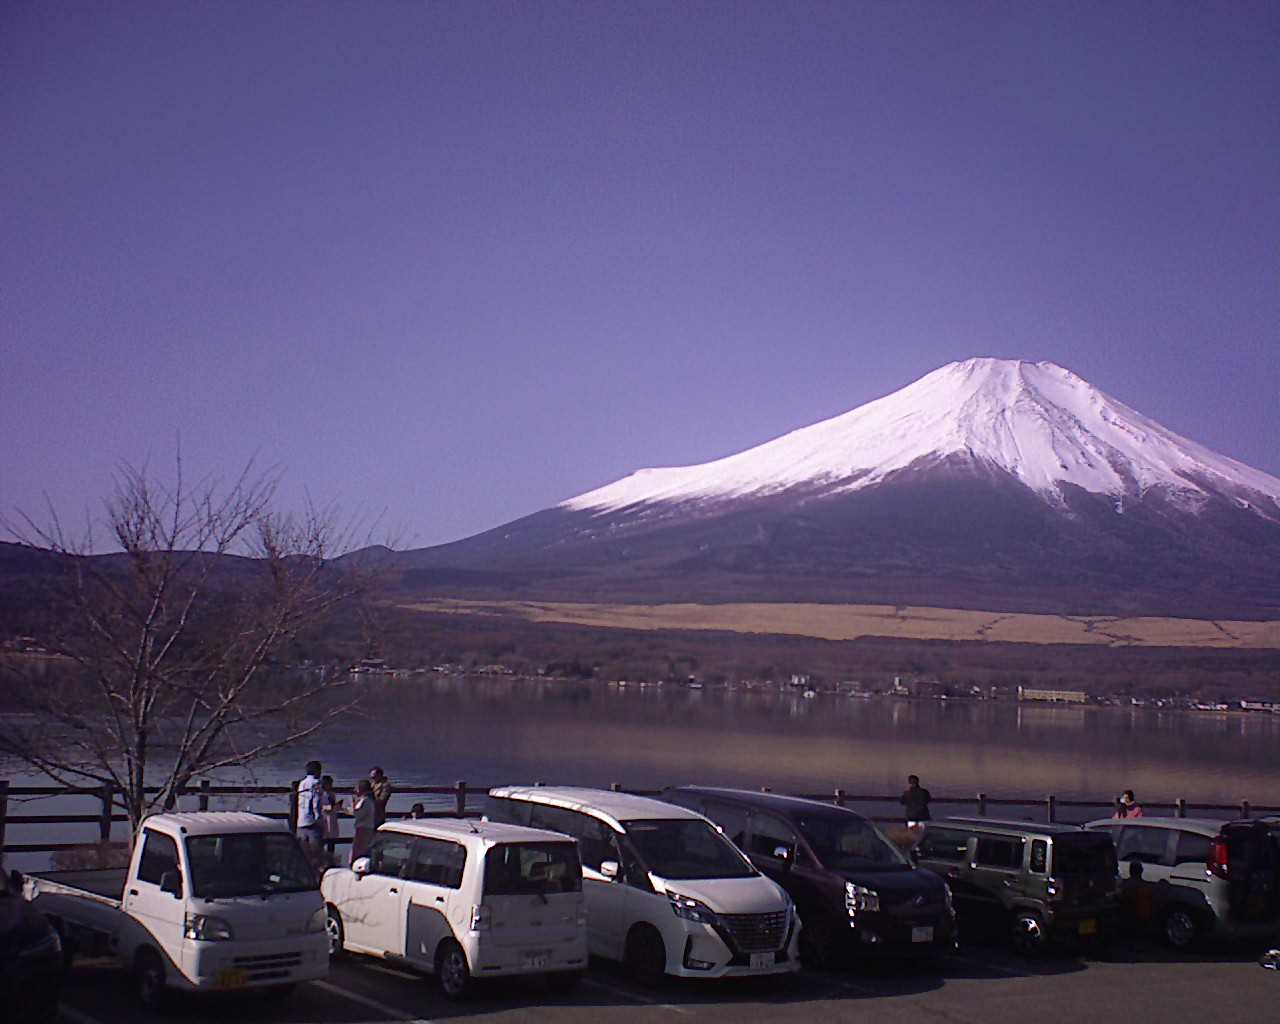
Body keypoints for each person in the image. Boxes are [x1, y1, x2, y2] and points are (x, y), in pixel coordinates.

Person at [296, 761, 325, 866]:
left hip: (301, 820)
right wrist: (318, 818)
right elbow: (315, 802)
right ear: (317, 771)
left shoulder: (301, 783)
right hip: (312, 822)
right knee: (315, 853)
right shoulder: (316, 783)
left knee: (303, 853)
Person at [351, 780, 377, 865]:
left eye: (357, 788)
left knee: (358, 851)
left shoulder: (365, 801)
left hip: (363, 828)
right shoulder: (367, 800)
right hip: (366, 828)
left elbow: (359, 814)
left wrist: (351, 807)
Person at [321, 775, 343, 863]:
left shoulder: (332, 794)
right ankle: (322, 860)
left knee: (332, 841)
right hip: (324, 818)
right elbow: (320, 806)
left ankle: (330, 860)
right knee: (323, 839)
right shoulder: (321, 794)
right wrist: (330, 807)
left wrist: (337, 806)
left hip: (332, 818)